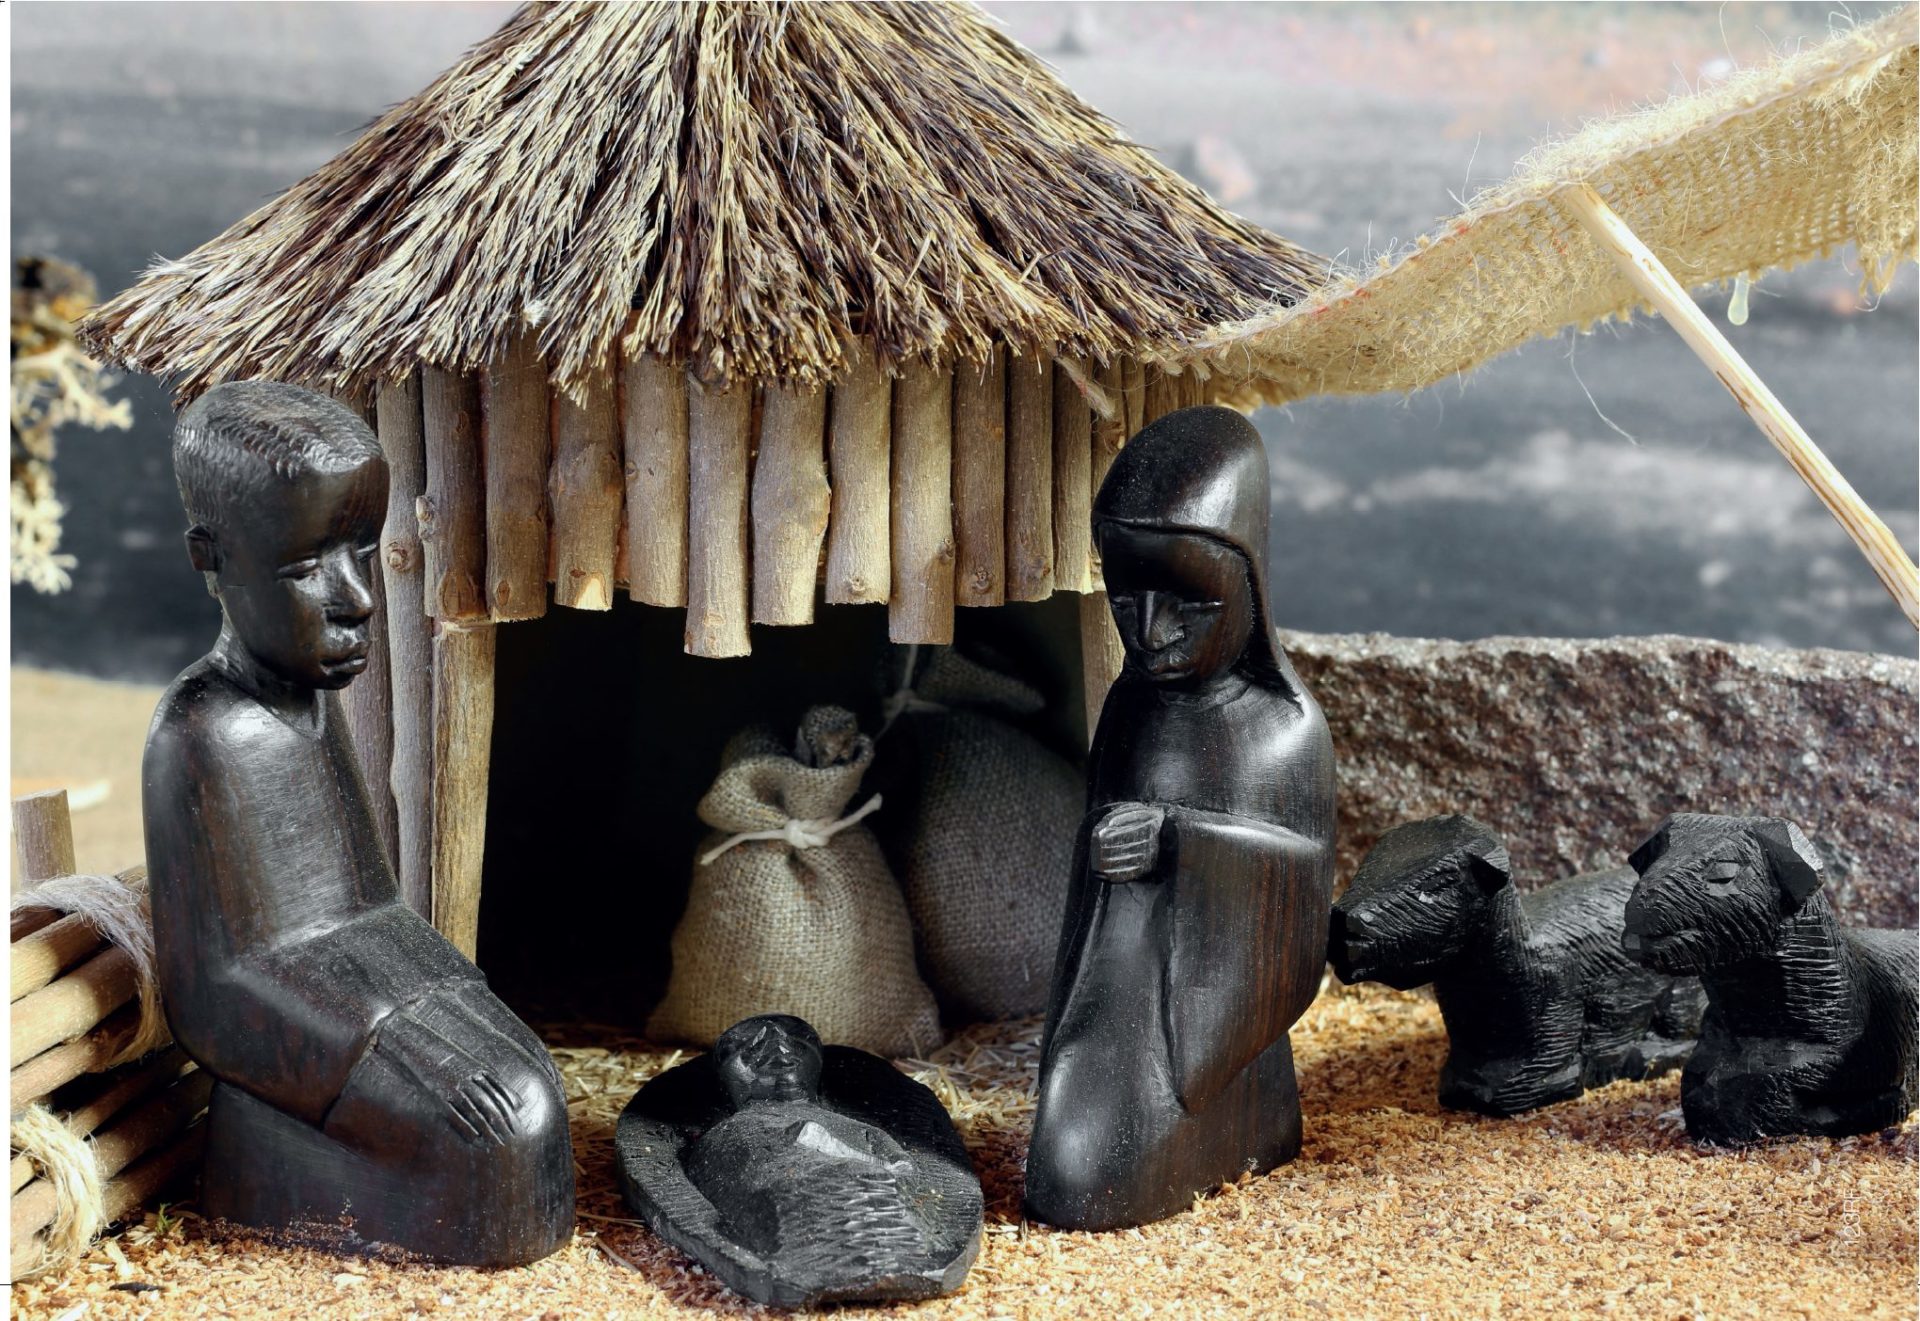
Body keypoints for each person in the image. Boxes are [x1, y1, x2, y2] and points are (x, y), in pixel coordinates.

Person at [142, 381, 573, 1266]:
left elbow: (369, 909)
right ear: (209, 557)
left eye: (361, 555)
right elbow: (218, 988)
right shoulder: (202, 731)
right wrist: (385, 1036)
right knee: (502, 1130)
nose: (359, 599)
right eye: (306, 568)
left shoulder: (309, 704)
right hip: (293, 1022)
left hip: (352, 985)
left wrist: (443, 995)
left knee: (535, 1090)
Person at [1024, 404, 1336, 1230]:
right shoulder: (1131, 707)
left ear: (1249, 585)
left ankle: (1244, 1122)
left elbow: (1299, 883)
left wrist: (1179, 841)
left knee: (1095, 1172)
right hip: (1117, 976)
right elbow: (1092, 859)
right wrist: (1104, 847)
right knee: (1069, 1164)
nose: (1150, 632)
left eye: (1189, 605)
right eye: (1127, 600)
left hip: (1206, 1023)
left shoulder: (1283, 730)